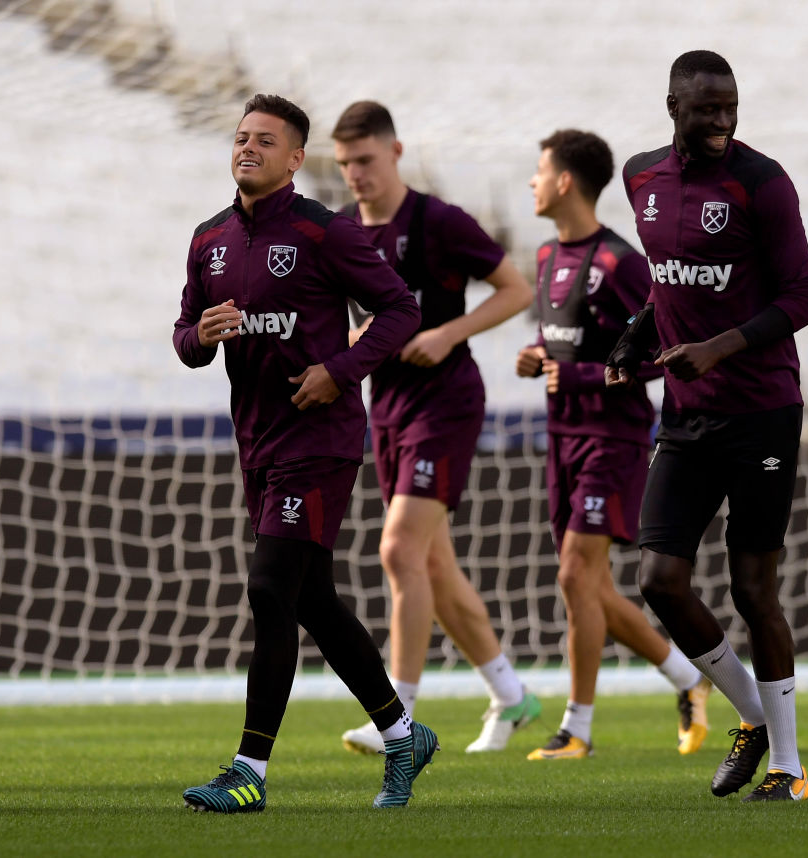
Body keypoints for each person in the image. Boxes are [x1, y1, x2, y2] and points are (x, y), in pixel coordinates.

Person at [173, 94, 437, 812]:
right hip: (256, 443)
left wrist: (339, 372)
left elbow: (401, 310)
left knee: (269, 590)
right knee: (312, 597)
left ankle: (249, 769)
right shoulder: (209, 240)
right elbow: (184, 336)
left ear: (295, 159)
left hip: (318, 443)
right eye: (240, 138)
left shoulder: (325, 232)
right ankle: (403, 732)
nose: (247, 148)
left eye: (265, 140)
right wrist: (203, 334)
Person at [606, 51, 808, 801]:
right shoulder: (641, 177)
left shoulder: (762, 183)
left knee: (753, 588)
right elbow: (670, 284)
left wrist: (716, 350)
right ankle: (754, 716)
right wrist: (638, 342)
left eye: (730, 105)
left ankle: (789, 771)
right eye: (706, 108)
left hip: (762, 410)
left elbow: (801, 298)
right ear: (673, 107)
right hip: (688, 415)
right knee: (659, 579)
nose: (723, 120)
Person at [330, 101, 540, 754]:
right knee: (435, 568)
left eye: (365, 160)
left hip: (445, 402)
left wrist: (449, 333)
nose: (355, 175)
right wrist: (357, 339)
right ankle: (511, 695)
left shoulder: (439, 221)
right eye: (344, 165)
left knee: (398, 551)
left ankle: (399, 716)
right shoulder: (340, 232)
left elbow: (515, 289)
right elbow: (340, 328)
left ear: (394, 153)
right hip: (386, 406)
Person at [515, 130, 712, 761]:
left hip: (614, 438)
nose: (532, 182)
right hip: (562, 439)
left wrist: (572, 374)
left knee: (575, 574)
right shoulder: (546, 257)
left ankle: (577, 729)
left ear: (565, 181)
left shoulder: (620, 264)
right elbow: (571, 346)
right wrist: (539, 358)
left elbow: (659, 354)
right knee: (587, 587)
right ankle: (688, 678)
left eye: (540, 171)